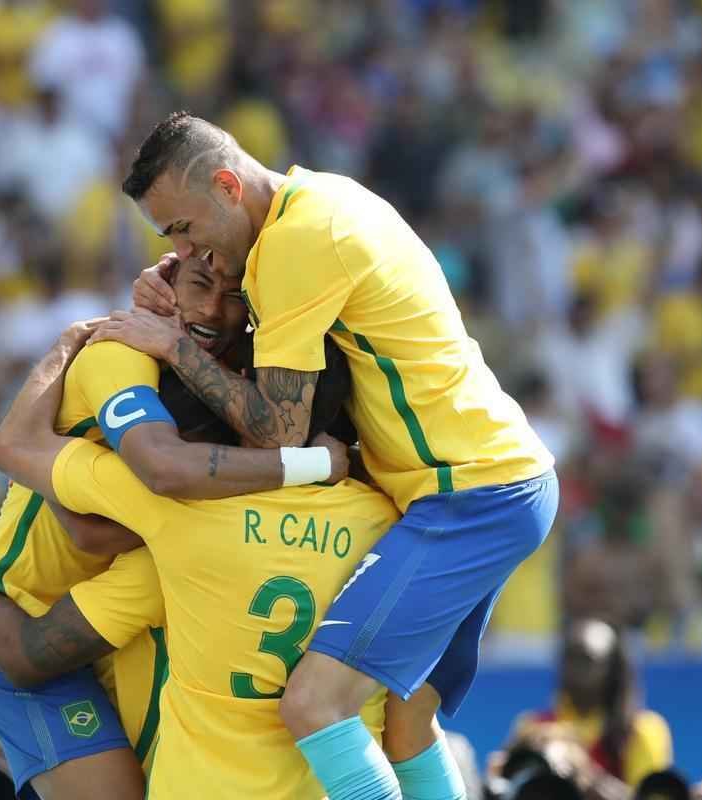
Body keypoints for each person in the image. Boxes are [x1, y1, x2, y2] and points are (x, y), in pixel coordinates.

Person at [93, 110, 558, 800]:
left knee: (315, 705)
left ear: (226, 185)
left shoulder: (297, 242)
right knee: (407, 728)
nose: (190, 254)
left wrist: (172, 345)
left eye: (185, 231)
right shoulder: (323, 201)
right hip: (503, 479)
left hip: (467, 496)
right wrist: (180, 293)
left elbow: (277, 432)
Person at [0, 257, 346, 800]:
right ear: (164, 288)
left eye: (233, 295)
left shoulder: (232, 400)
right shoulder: (120, 356)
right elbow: (91, 521)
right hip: (18, 613)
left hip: (99, 624)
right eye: (198, 284)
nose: (213, 307)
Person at [514, 619, 673, 788]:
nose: (574, 669)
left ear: (612, 670)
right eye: (569, 658)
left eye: (587, 660)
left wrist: (583, 773)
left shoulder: (641, 730)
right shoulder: (532, 727)